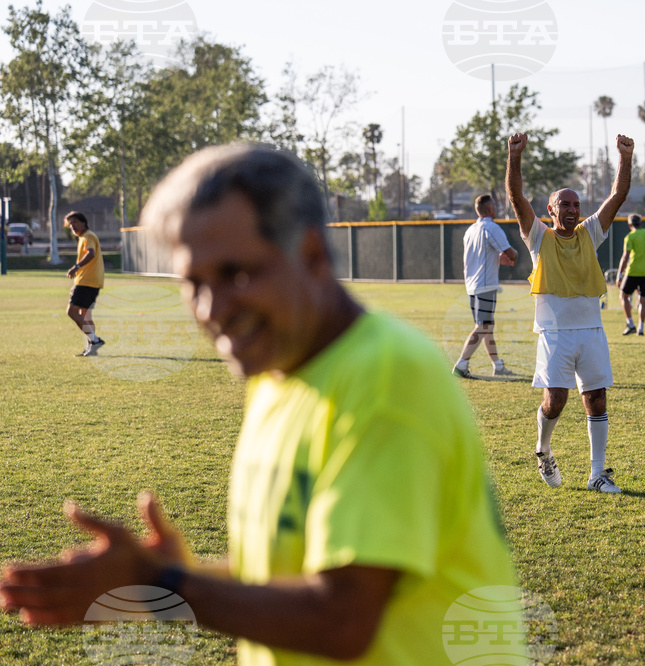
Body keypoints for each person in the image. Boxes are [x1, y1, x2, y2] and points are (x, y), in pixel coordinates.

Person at [0, 144, 519, 665]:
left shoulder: (387, 379)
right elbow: (303, 574)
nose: (212, 309)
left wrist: (164, 583)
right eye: (193, 283)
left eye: (236, 274)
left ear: (312, 255)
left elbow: (343, 619)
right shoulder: (279, 372)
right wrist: (187, 575)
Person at [506, 131, 633, 494]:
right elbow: (515, 196)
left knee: (596, 398)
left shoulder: (589, 233)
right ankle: (543, 449)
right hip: (555, 335)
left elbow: (617, 196)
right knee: (556, 400)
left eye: (576, 204)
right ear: (551, 210)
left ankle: (597, 474)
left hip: (591, 332)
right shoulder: (538, 238)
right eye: (565, 204)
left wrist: (624, 159)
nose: (573, 209)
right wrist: (514, 157)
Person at [453, 193, 519, 378]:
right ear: (490, 210)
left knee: (486, 326)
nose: (496, 210)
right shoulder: (491, 228)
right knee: (483, 326)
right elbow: (510, 253)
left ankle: (497, 366)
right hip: (485, 285)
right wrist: (514, 255)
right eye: (495, 207)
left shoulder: (470, 230)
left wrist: (498, 259)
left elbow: (481, 256)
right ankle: (461, 364)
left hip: (472, 285)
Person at [64, 212, 106, 356]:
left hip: (87, 281)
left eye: (75, 222)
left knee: (71, 311)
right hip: (90, 281)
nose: (72, 226)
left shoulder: (88, 236)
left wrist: (76, 266)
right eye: (70, 224)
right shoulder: (84, 237)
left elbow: (91, 253)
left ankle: (95, 340)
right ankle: (92, 348)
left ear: (83, 222)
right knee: (85, 315)